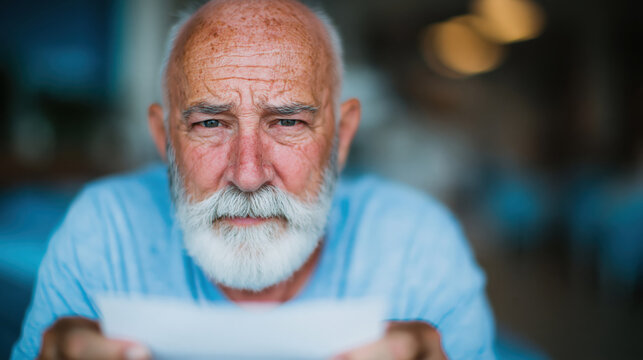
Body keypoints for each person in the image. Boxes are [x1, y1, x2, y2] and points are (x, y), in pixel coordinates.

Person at [12, 0, 496, 359]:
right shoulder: (104, 231)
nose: (247, 176)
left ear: (342, 137)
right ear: (163, 139)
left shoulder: (419, 249)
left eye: (287, 122)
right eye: (209, 123)